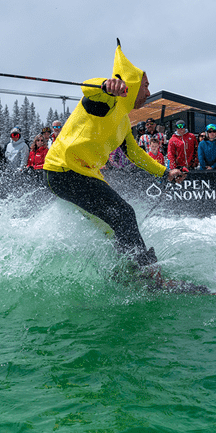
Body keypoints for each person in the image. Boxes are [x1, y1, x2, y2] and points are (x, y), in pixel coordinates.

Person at [42, 44, 190, 292]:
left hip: (81, 173)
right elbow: (88, 88)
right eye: (146, 86)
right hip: (63, 170)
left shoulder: (122, 120)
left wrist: (166, 172)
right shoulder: (107, 100)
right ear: (131, 85)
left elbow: (135, 153)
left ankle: (122, 273)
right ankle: (146, 275)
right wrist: (105, 84)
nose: (149, 92)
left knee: (114, 228)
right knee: (124, 214)